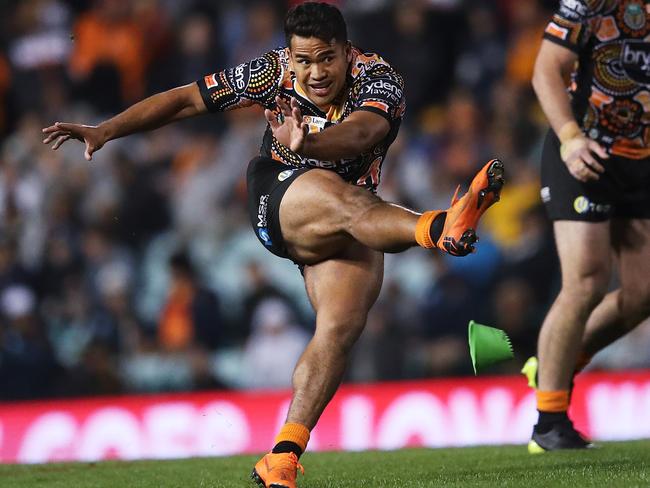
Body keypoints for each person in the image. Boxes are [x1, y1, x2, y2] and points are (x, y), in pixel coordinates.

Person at [42, 3, 504, 486]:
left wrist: (312, 144)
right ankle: (440, 227)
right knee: (344, 199)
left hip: (350, 214)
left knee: (339, 329)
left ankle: (282, 457)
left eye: (326, 58)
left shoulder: (379, 78)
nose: (315, 72)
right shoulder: (269, 71)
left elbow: (362, 134)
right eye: (303, 60)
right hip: (280, 194)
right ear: (290, 55)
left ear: (348, 52)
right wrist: (106, 130)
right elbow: (185, 100)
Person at [528, 0, 650, 453]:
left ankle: (558, 364)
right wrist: (571, 138)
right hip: (583, 151)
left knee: (644, 293)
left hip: (642, 159)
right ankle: (550, 421)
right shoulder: (593, 3)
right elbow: (546, 69)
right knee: (586, 282)